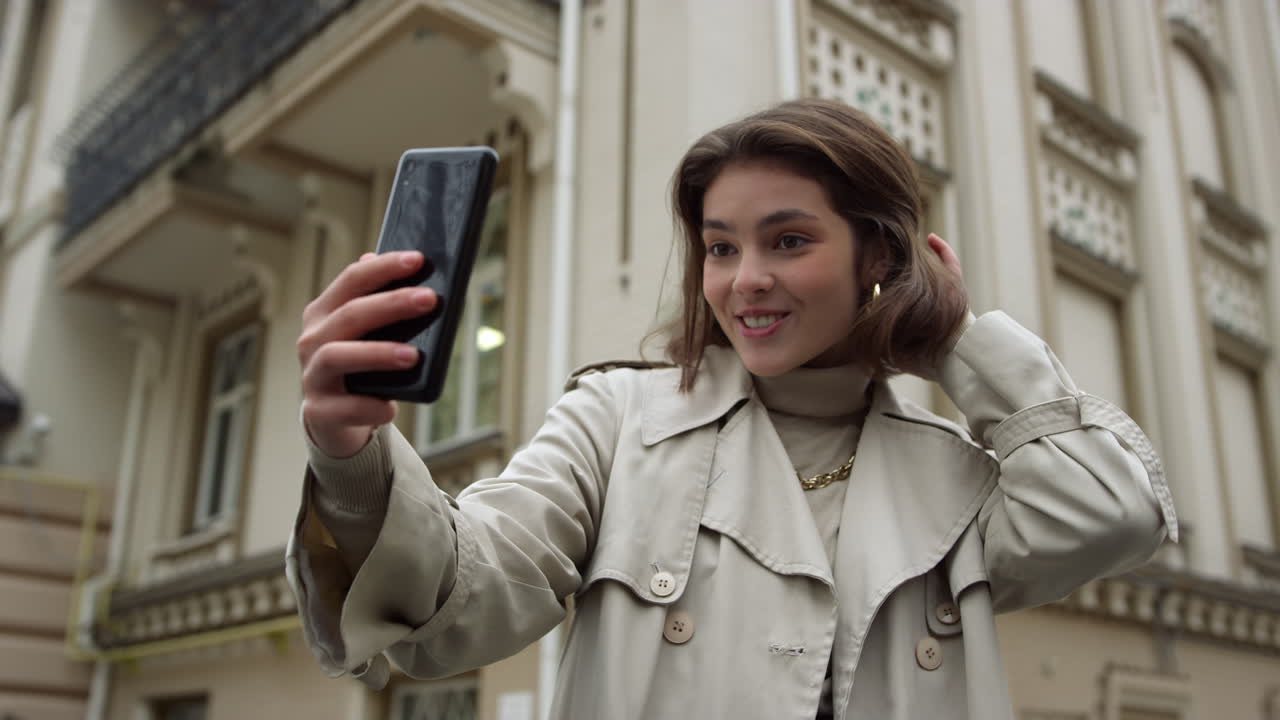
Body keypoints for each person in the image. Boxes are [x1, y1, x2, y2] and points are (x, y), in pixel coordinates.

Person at [288, 99, 1177, 719]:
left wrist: (955, 337)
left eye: (788, 240)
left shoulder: (957, 470)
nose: (745, 281)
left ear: (881, 251)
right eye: (720, 247)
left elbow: (1112, 512)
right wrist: (352, 455)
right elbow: (459, 599)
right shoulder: (616, 421)